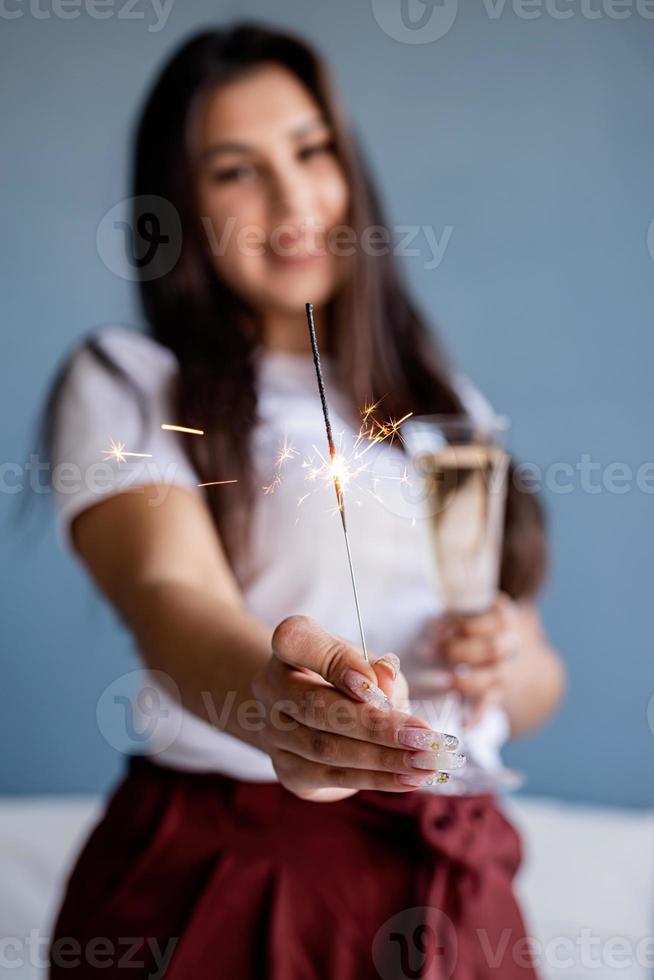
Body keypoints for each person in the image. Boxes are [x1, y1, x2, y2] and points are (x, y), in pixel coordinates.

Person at [44, 23, 566, 980]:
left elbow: (535, 684)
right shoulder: (129, 380)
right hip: (229, 874)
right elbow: (171, 601)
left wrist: (506, 653)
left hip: (457, 874)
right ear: (181, 207)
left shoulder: (445, 407)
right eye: (235, 171)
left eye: (311, 149)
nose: (292, 199)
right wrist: (277, 706)